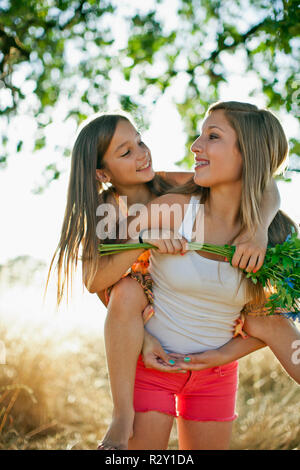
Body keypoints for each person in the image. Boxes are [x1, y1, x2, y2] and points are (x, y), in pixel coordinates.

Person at [48, 109, 282, 450]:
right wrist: (145, 241)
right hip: (140, 312)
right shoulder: (108, 209)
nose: (142, 154)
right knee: (127, 291)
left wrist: (259, 230)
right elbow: (93, 280)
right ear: (102, 172)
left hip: (187, 307)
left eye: (140, 142)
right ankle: (121, 415)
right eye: (126, 152)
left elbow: (262, 183)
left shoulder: (170, 183)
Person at [112, 101, 299, 450]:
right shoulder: (174, 204)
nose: (195, 146)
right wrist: (140, 337)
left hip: (216, 377)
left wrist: (228, 353)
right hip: (155, 366)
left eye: (212, 136)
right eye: (200, 135)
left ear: (250, 155)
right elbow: (104, 277)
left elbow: (272, 320)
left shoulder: (276, 235)